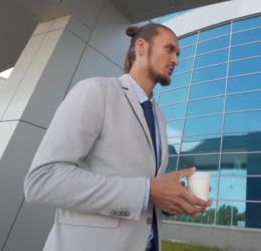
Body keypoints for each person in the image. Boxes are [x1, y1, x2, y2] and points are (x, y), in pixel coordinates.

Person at [24, 23, 209, 251]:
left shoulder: (160, 117)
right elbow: (42, 181)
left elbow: (143, 193)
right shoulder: (95, 91)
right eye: (169, 49)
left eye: (178, 54)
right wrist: (148, 191)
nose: (176, 60)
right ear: (141, 46)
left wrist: (173, 199)